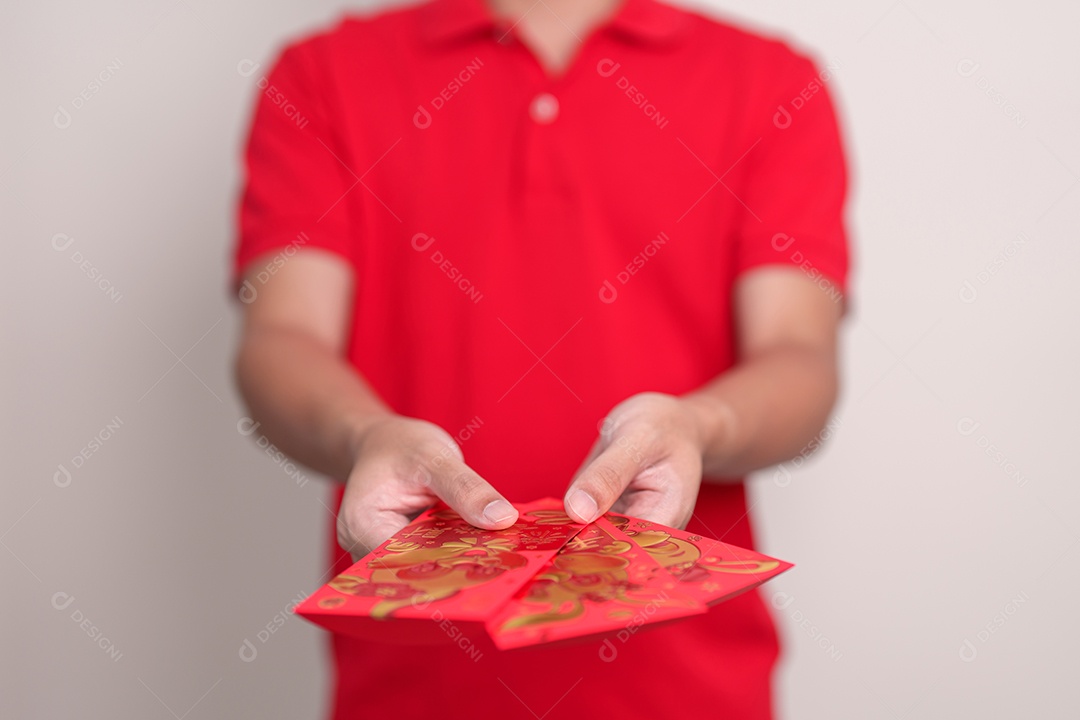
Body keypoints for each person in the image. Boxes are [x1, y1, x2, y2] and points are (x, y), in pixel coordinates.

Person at [233, 0, 850, 717]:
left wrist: (699, 426)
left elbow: (799, 358)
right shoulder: (320, 75)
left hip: (690, 690)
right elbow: (282, 339)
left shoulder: (772, 82)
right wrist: (362, 435)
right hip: (410, 690)